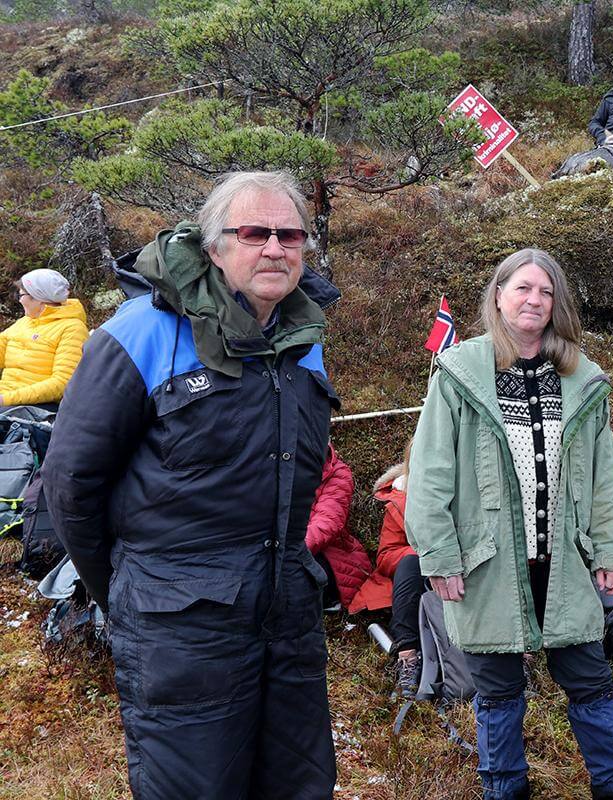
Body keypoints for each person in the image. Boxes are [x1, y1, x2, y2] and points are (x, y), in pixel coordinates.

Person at [41, 170, 340, 800]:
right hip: (179, 627)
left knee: (300, 785)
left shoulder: (303, 339)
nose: (276, 248)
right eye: (255, 232)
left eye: (291, 234)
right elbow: (71, 485)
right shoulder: (139, 332)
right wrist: (127, 588)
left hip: (285, 612)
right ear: (213, 247)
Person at [405, 248, 613, 800]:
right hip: (487, 565)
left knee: (593, 685)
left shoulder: (582, 380)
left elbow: (604, 475)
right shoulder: (460, 374)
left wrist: (611, 548)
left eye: (545, 292)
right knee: (497, 694)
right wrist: (439, 556)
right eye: (523, 289)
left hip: (566, 562)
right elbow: (431, 471)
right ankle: (505, 792)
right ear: (498, 296)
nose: (534, 300)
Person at [348, 454, 424, 699]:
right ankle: (407, 657)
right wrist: (428, 554)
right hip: (412, 579)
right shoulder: (401, 498)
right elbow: (387, 555)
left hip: (458, 572)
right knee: (411, 563)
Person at [0, 268, 88, 410]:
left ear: (39, 298)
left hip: (38, 409)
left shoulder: (72, 329)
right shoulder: (25, 322)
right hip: (7, 402)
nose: (19, 300)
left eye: (21, 295)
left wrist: (6, 399)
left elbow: (62, 383)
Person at [306, 443, 372, 612]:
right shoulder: (269, 467)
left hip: (329, 555)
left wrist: (287, 549)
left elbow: (327, 523)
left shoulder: (338, 473)